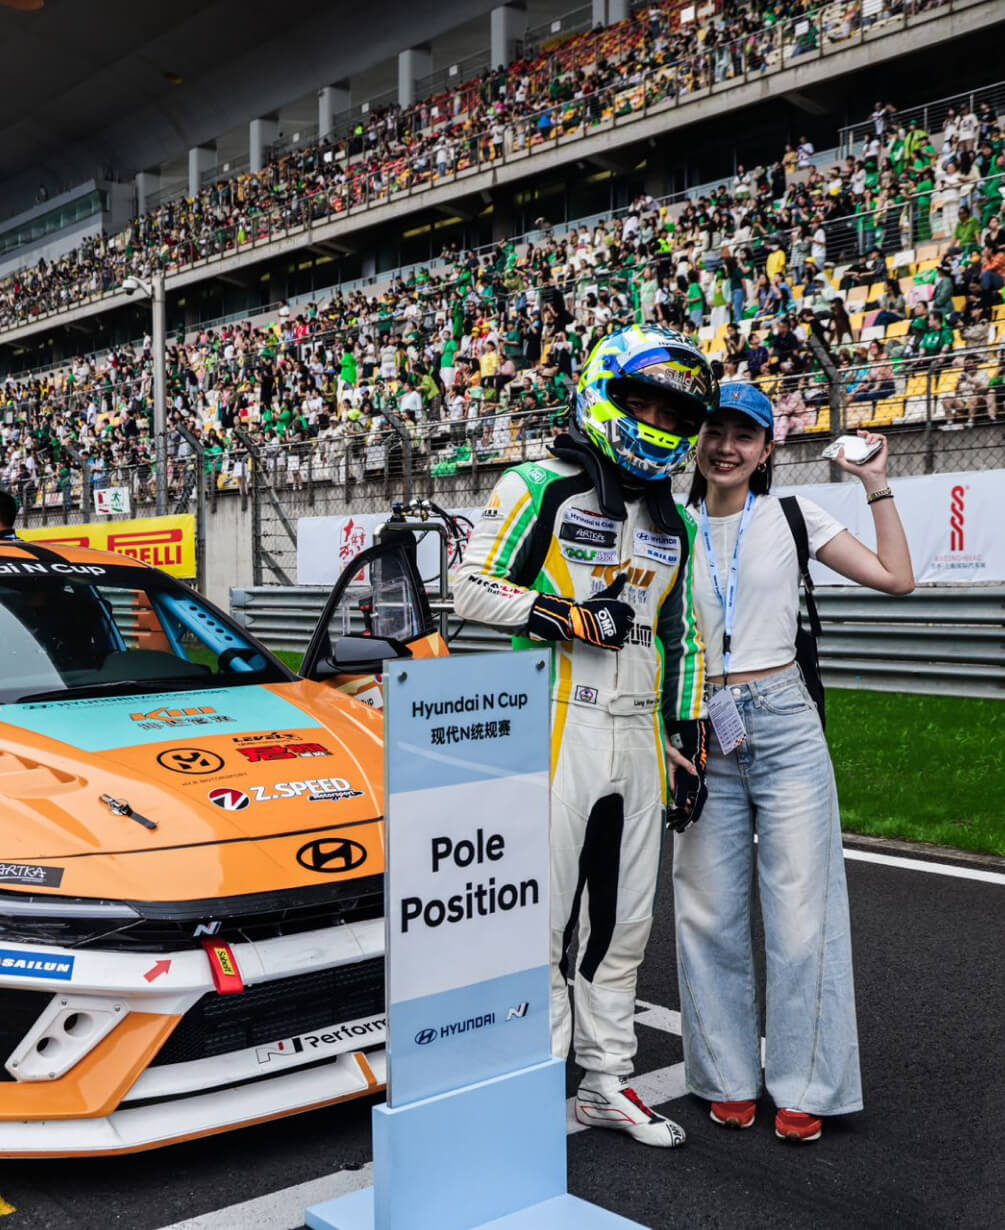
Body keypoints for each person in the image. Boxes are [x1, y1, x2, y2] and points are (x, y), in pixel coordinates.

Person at [454, 325, 719, 1148]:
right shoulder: (538, 485)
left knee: (623, 923)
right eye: (643, 405)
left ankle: (605, 1082)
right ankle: (532, 1081)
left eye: (674, 414)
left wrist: (688, 733)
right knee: (537, 918)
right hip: (552, 722)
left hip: (638, 735)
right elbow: (468, 588)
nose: (657, 423)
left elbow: (684, 636)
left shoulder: (677, 522)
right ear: (604, 395)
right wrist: (565, 615)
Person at [672, 383, 914, 1144]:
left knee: (803, 917)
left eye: (744, 436)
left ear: (767, 450)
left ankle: (806, 1085)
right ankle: (725, 1077)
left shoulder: (792, 514)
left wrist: (875, 484)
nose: (726, 448)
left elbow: (896, 578)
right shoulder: (668, 525)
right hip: (700, 728)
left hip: (783, 721)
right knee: (707, 914)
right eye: (715, 431)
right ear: (697, 440)